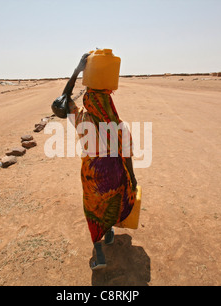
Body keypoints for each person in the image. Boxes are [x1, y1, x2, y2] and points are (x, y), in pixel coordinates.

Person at [62, 53, 138, 270]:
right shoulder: (120, 125)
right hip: (117, 172)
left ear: (89, 103)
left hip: (93, 175)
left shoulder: (82, 120)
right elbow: (128, 155)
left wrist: (77, 70)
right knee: (112, 202)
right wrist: (131, 177)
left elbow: (64, 100)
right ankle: (111, 232)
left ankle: (100, 254)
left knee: (94, 210)